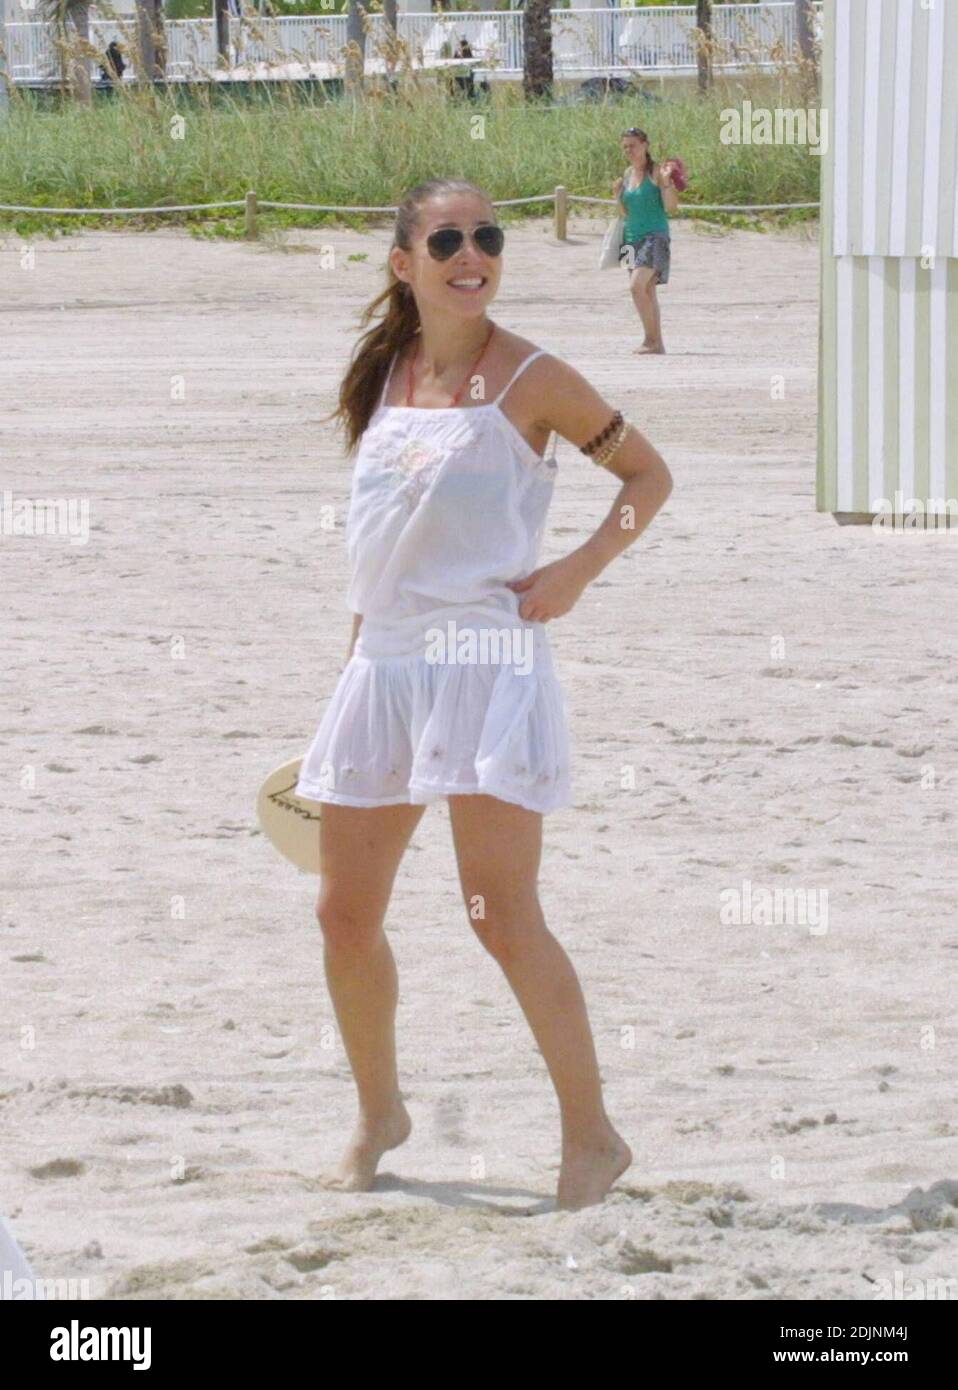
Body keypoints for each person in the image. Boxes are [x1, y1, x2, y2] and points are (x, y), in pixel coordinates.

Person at [295, 177, 673, 1211]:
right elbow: (382, 548)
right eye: (449, 237)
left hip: (486, 664)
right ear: (404, 261)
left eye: (488, 236)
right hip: (384, 669)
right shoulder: (387, 375)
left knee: (499, 914)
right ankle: (380, 1112)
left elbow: (648, 479)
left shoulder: (535, 378)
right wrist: (351, 666)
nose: (474, 253)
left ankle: (591, 1137)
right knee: (341, 913)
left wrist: (578, 571)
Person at [612, 127, 681, 355]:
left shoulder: (657, 171)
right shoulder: (627, 174)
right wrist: (617, 196)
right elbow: (625, 212)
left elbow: (671, 207)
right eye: (625, 147)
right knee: (647, 291)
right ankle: (656, 343)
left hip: (654, 235)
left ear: (645, 145)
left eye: (633, 145)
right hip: (630, 238)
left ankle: (650, 340)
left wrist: (667, 183)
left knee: (636, 287)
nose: (629, 150)